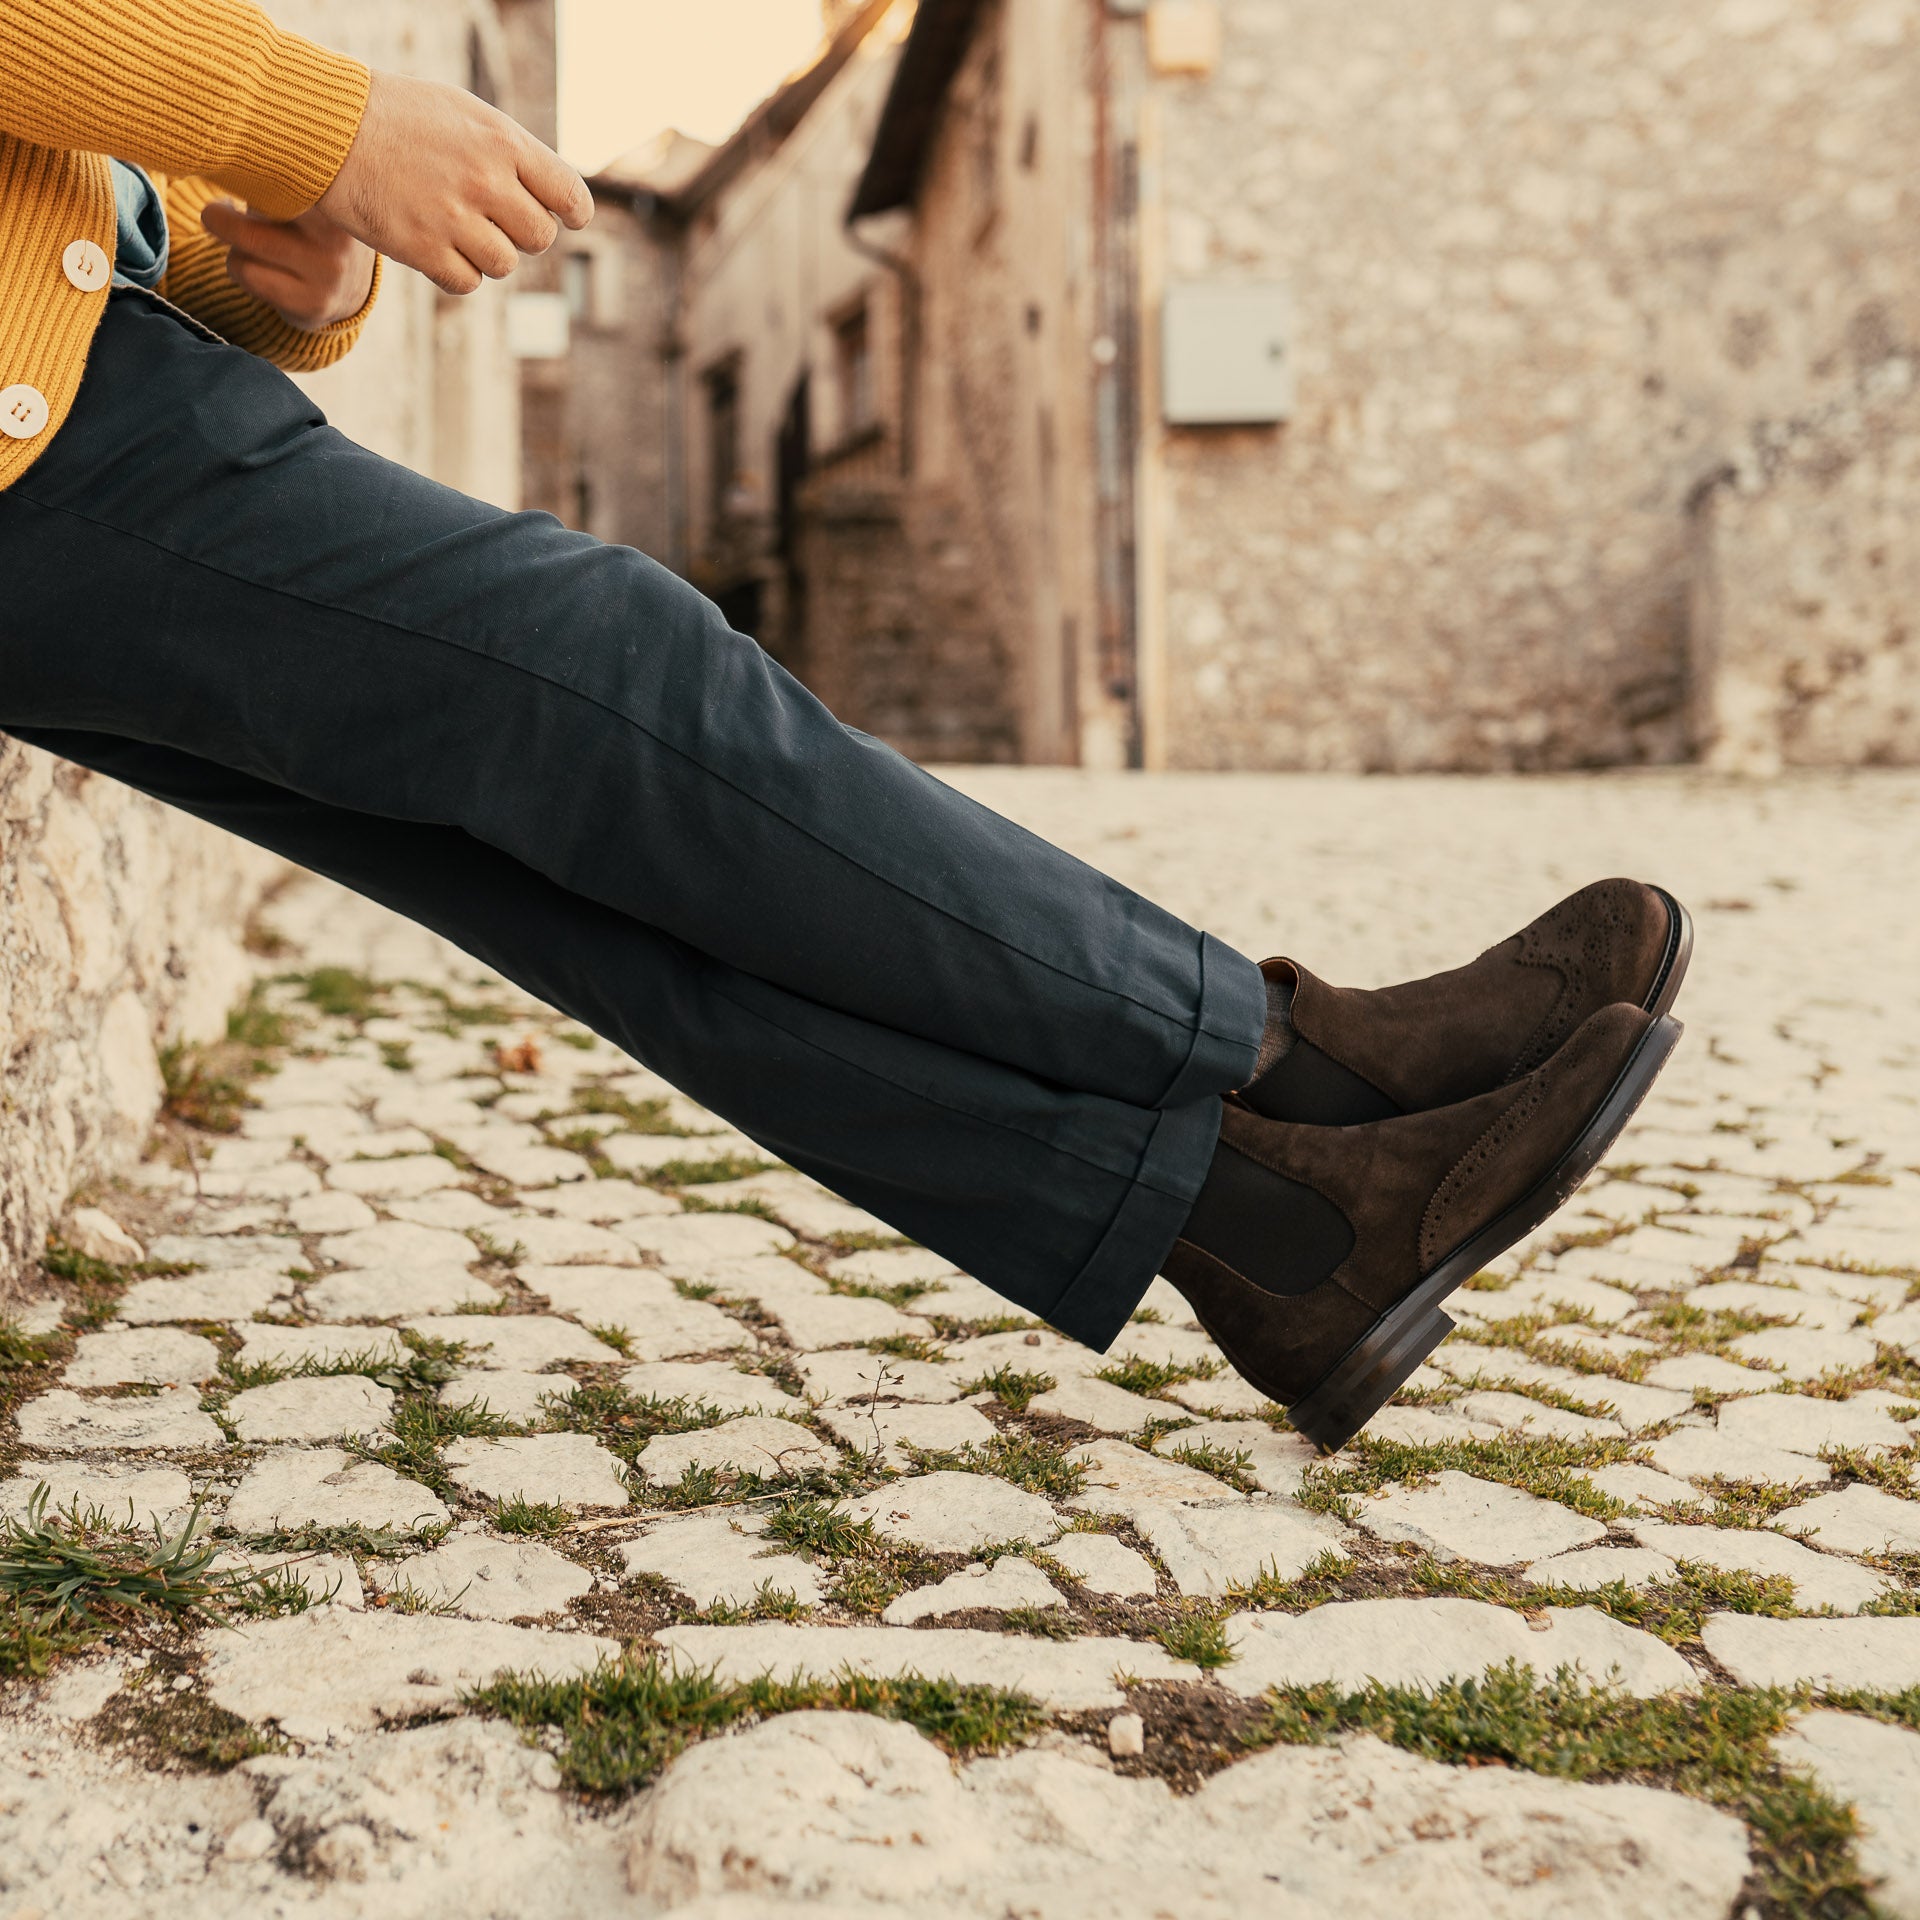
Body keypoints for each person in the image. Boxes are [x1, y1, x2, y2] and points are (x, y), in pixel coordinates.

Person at [0, 0, 1687, 1452]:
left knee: (572, 888)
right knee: (620, 665)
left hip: (86, 379)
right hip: (51, 440)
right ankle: (1288, 1061)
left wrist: (268, 267)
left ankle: (1288, 1238)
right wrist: (328, 118)